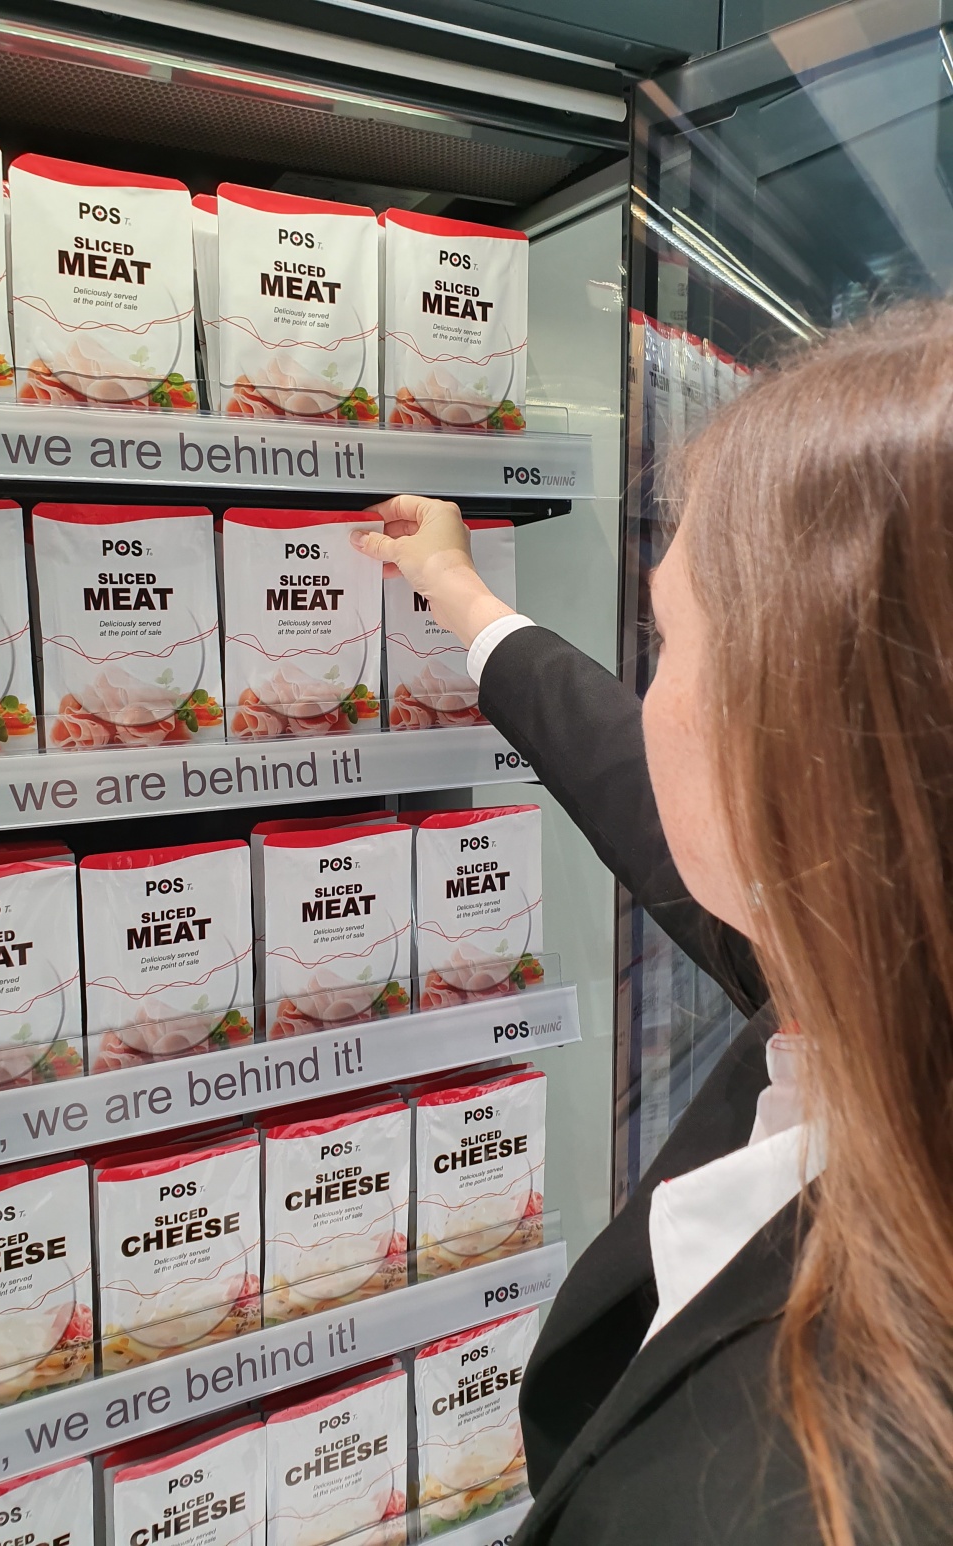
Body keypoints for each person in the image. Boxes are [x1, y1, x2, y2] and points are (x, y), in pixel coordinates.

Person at [351, 304, 953, 1546]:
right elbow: (635, 787)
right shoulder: (879, 978)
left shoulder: (830, 1484)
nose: (647, 693)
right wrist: (463, 600)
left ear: (805, 757)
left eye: (669, 643)